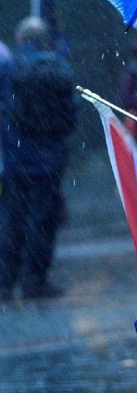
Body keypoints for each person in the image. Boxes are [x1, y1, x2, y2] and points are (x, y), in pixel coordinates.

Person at [0, 17, 77, 301]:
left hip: (17, 158)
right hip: (50, 160)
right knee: (43, 222)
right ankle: (35, 282)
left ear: (21, 39)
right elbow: (71, 114)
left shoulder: (11, 67)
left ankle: (5, 281)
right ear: (45, 39)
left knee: (12, 220)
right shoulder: (61, 67)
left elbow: (6, 111)